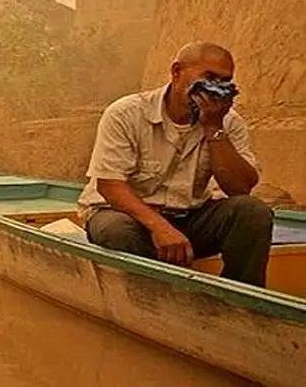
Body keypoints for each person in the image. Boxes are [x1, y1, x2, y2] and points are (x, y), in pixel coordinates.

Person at [77, 41, 274, 287]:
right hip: (130, 218)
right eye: (208, 77)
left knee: (252, 212)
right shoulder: (126, 113)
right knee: (117, 231)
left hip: (189, 218)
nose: (215, 88)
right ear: (177, 72)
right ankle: (153, 301)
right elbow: (110, 185)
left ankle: (241, 303)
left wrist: (214, 128)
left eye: (224, 82)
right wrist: (160, 228)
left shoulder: (228, 122)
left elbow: (240, 188)